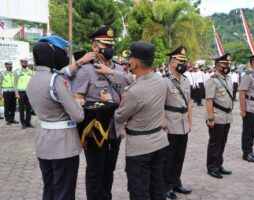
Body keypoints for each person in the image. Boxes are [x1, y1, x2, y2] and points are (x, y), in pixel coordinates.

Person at [104, 41, 169, 200]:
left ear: (133, 63)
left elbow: (119, 116)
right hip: (159, 142)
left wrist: (109, 101)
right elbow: (134, 79)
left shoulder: (134, 92)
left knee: (139, 191)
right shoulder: (160, 81)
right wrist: (111, 72)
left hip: (140, 149)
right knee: (157, 187)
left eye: (130, 59)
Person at [73, 25, 129, 200]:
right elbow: (78, 100)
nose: (110, 47)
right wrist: (80, 133)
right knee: (95, 171)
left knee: (109, 169)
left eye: (111, 43)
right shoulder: (86, 70)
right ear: (94, 47)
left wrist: (123, 125)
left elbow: (124, 97)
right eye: (105, 44)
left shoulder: (119, 70)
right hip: (94, 131)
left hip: (115, 127)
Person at [26, 36, 85, 200]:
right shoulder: (56, 80)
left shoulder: (32, 80)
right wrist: (77, 102)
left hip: (44, 142)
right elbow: (78, 116)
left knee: (50, 190)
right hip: (63, 145)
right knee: (64, 192)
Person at [163, 46, 193, 199]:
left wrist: (190, 121)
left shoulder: (186, 80)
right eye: (181, 61)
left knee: (180, 155)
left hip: (183, 123)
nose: (184, 63)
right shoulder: (165, 81)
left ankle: (176, 183)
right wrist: (163, 124)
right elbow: (160, 104)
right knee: (169, 156)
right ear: (173, 63)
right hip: (170, 123)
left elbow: (189, 103)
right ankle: (166, 186)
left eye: (184, 61)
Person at [205, 53, 233, 179]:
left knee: (222, 142)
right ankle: (211, 167)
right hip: (216, 116)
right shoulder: (212, 80)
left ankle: (219, 165)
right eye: (224, 65)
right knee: (215, 143)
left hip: (227, 116)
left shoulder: (228, 79)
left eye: (227, 64)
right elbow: (209, 100)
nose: (226, 67)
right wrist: (210, 118)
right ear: (217, 66)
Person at [14, 59, 33, 129]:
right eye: (23, 62)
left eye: (26, 62)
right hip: (21, 93)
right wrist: (16, 93)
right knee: (21, 108)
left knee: (29, 108)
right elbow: (15, 84)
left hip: (29, 92)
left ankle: (28, 123)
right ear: (21, 63)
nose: (25, 63)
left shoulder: (31, 72)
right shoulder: (17, 72)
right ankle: (23, 123)